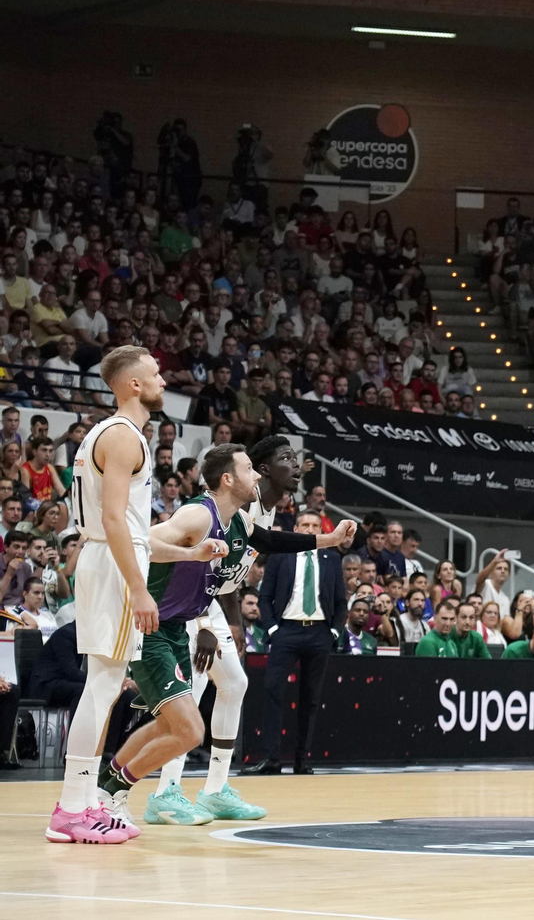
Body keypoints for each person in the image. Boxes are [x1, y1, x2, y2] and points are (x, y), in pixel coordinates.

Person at [152, 434, 354, 818]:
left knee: (235, 683)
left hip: (206, 601)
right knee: (191, 691)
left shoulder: (260, 511)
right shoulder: (230, 508)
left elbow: (255, 548)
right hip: (179, 604)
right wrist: (204, 621)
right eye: (286, 458)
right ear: (262, 471)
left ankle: (215, 789)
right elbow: (195, 561)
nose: (296, 465)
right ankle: (166, 792)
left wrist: (328, 539)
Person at [47, 346, 191, 844]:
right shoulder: (124, 437)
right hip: (112, 566)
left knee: (103, 687)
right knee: (103, 687)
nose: (162, 381)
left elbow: (128, 526)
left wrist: (190, 554)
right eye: (154, 374)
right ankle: (72, 808)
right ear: (132, 384)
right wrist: (139, 588)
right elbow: (114, 522)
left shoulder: (107, 435)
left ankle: (81, 804)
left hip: (105, 559)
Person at [92, 444, 246, 829]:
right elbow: (141, 541)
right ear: (227, 479)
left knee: (166, 726)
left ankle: (102, 791)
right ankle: (114, 792)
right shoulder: (197, 513)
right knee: (191, 731)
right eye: (249, 468)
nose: (256, 475)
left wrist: (326, 543)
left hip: (177, 629)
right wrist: (194, 553)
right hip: (151, 628)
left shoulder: (235, 523)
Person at [246, 511, 346, 775]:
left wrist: (334, 632)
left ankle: (302, 760)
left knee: (310, 698)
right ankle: (271, 759)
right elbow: (264, 598)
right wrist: (275, 629)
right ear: (296, 528)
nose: (310, 529)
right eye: (305, 525)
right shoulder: (281, 556)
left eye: (315, 526)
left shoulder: (332, 558)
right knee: (272, 691)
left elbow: (340, 602)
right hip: (286, 631)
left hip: (319, 633)